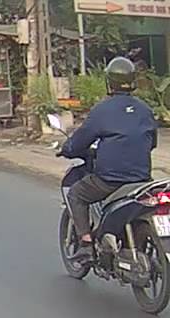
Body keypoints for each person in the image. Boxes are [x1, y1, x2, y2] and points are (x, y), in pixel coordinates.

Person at [60, 56, 158, 259]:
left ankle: (86, 244)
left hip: (109, 181)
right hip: (142, 181)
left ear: (109, 81)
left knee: (76, 194)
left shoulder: (102, 110)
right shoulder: (145, 110)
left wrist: (67, 149)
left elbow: (79, 142)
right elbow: (152, 142)